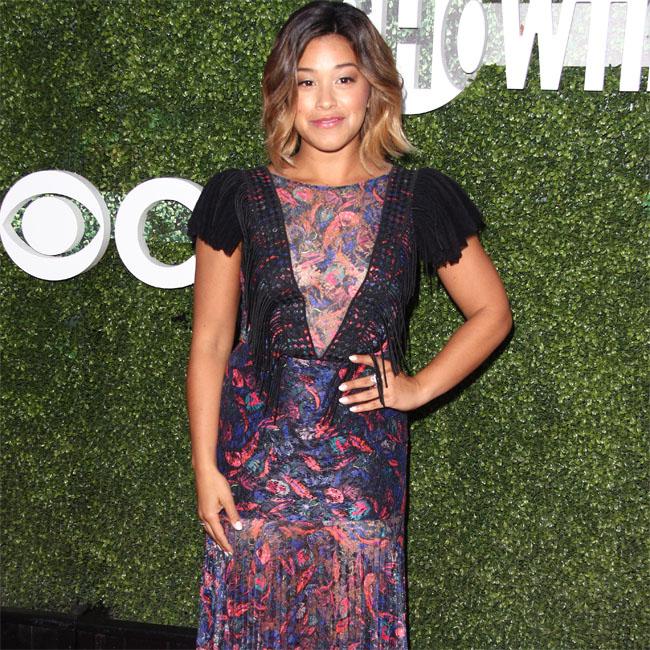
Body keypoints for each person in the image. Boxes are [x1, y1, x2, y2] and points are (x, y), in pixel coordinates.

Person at [186, 1, 512, 648]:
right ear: (284, 93)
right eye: (306, 81)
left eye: (344, 78)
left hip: (363, 476)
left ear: (374, 89)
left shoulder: (419, 198)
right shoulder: (238, 197)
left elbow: (492, 312)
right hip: (255, 472)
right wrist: (205, 467)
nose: (326, 99)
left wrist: (416, 388)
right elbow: (211, 341)